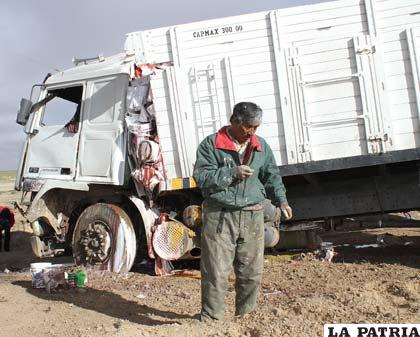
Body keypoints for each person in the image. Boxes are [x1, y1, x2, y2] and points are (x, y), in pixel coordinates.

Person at [193, 102, 293, 321]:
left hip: (252, 215)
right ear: (235, 121)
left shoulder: (261, 146)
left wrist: (282, 201)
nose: (252, 132)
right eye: (249, 126)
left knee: (251, 272)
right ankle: (212, 321)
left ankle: (246, 319)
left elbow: (272, 176)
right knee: (216, 272)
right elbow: (201, 177)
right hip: (220, 215)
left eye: (256, 127)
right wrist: (232, 172)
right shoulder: (211, 145)